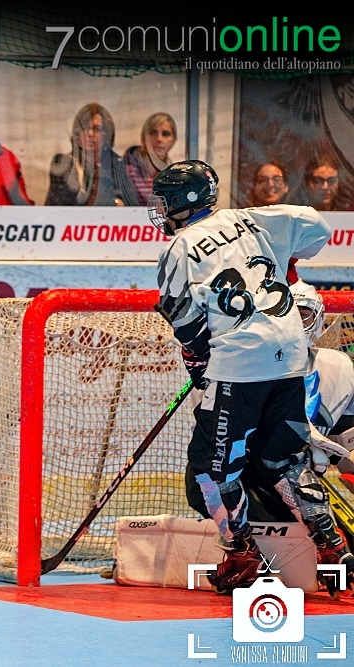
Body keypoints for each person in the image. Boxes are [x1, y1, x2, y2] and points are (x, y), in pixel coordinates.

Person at [151, 159, 352, 596]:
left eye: (165, 201)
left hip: (239, 362)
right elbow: (315, 226)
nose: (161, 210)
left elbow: (182, 318)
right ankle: (333, 547)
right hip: (290, 354)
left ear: (183, 203)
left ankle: (242, 554)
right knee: (284, 460)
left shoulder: (180, 246)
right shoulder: (249, 219)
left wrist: (199, 361)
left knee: (211, 469)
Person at [185, 281, 354, 530]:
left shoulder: (336, 368)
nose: (294, 325)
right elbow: (225, 448)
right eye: (285, 316)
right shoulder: (234, 370)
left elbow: (347, 445)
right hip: (239, 480)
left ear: (318, 321)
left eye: (302, 316)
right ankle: (244, 548)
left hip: (295, 484)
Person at [45, 102, 137, 207]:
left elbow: (132, 206)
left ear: (107, 134)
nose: (90, 134)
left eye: (96, 129)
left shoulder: (118, 165)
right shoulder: (63, 164)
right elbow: (58, 206)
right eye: (84, 128)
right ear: (77, 133)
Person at [122, 112, 177, 206]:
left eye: (165, 134)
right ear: (143, 138)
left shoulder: (175, 174)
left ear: (173, 140)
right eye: (153, 133)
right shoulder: (127, 169)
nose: (159, 139)